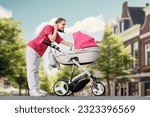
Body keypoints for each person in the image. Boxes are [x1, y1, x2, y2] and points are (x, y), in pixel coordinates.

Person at [26, 18, 72, 96]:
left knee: (36, 71)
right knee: (32, 70)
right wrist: (54, 29)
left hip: (39, 52)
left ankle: (36, 90)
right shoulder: (48, 27)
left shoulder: (55, 34)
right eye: (63, 24)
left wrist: (73, 45)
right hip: (32, 48)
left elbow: (64, 42)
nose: (64, 26)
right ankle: (33, 91)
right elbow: (52, 39)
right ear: (57, 23)